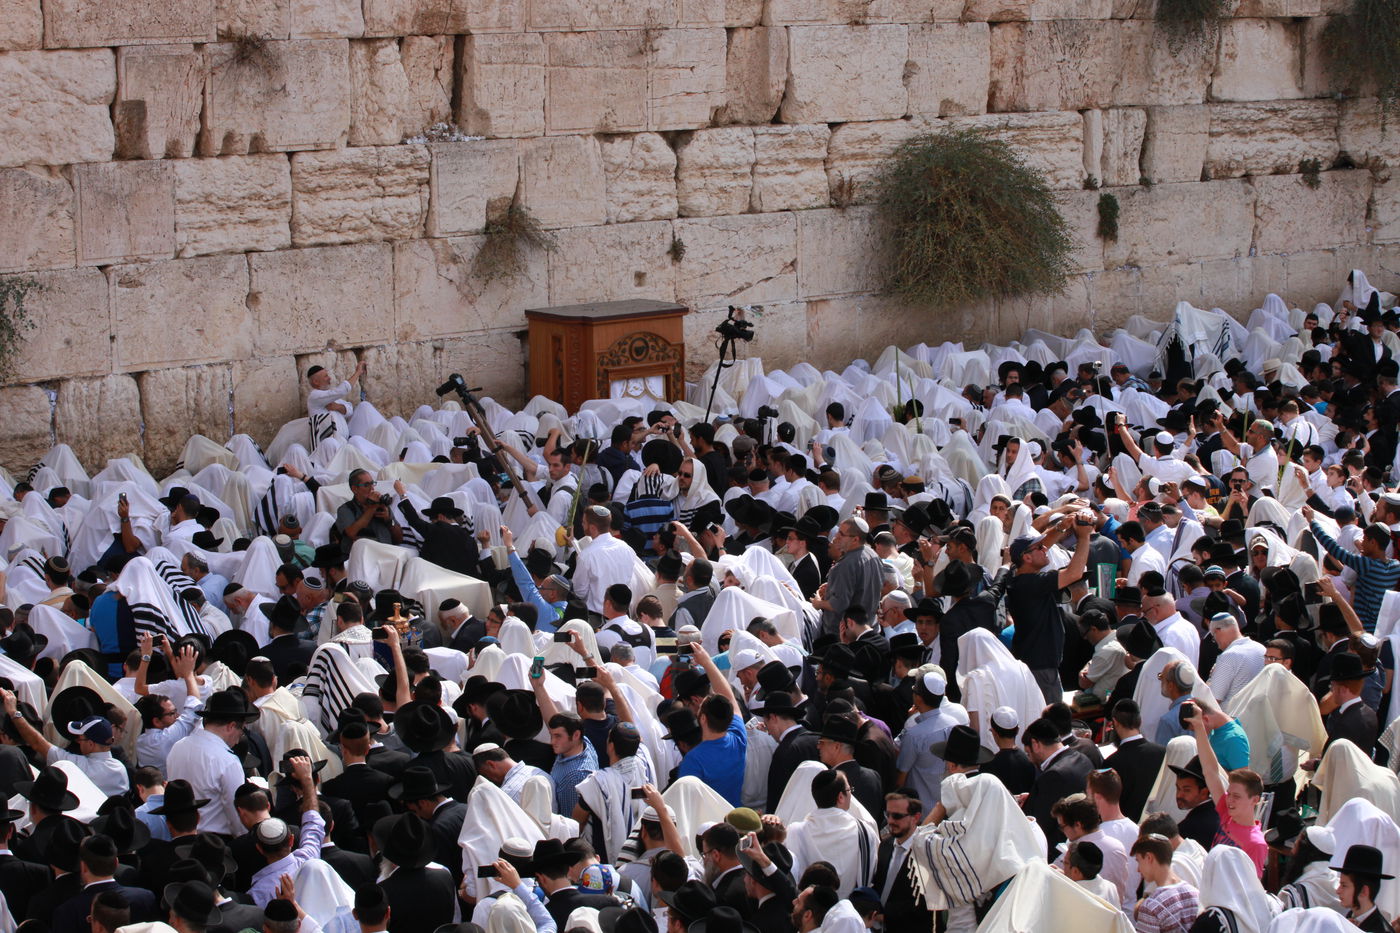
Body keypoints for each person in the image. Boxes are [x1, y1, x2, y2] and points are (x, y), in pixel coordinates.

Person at [1006, 511, 1094, 703]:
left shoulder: (1018, 574)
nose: (1045, 549)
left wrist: (1063, 525)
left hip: (1037, 663)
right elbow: (1074, 573)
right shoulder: (1031, 583)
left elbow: (1041, 545)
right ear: (1027, 558)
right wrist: (1084, 536)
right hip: (1040, 667)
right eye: (1039, 548)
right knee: (1050, 721)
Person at [1184, 704, 1267, 877]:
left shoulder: (1256, 843)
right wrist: (1199, 726)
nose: (1229, 800)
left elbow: (1251, 887)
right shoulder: (1226, 815)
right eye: (1230, 794)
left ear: (1255, 800)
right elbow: (1210, 771)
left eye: (1236, 796)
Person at [1129, 834, 1199, 933]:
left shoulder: (1150, 907)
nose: (1138, 869)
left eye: (1139, 861)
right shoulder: (1195, 894)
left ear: (1149, 858)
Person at [1333, 844, 1393, 933]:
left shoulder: (1382, 930)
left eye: (1344, 885)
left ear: (1363, 891)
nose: (1338, 891)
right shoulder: (1350, 917)